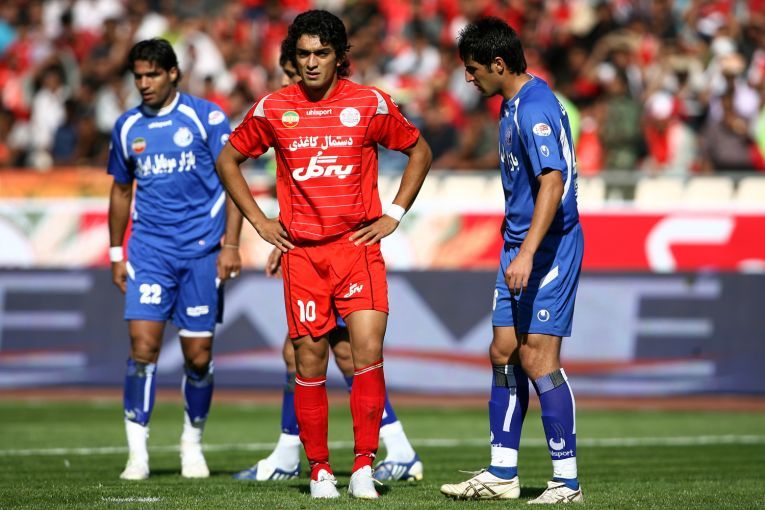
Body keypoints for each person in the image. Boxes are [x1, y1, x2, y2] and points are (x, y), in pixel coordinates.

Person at [216, 10, 432, 499]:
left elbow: (419, 150)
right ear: (293, 59)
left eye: (321, 53)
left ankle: (364, 467)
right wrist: (260, 222)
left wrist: (394, 214)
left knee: (366, 353)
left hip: (357, 249)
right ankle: (318, 471)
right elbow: (228, 159)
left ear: (340, 57)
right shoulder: (273, 108)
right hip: (303, 256)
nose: (311, 62)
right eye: (303, 54)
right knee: (308, 362)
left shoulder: (369, 103)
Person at [440, 18, 584, 504]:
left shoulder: (535, 106)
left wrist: (526, 252)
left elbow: (552, 183)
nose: (468, 77)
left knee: (538, 356)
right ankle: (502, 473)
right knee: (503, 350)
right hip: (518, 245)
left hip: (548, 248)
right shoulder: (511, 104)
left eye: (473, 68)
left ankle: (566, 482)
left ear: (498, 64)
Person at [107, 39, 242, 481]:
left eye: (152, 74)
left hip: (202, 252)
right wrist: (116, 252)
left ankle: (191, 443)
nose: (144, 83)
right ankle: (137, 455)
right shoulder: (127, 126)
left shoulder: (206, 118)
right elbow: (121, 191)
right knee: (142, 349)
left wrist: (231, 245)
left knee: (198, 357)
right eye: (138, 76)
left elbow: (233, 180)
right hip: (150, 252)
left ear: (172, 74)